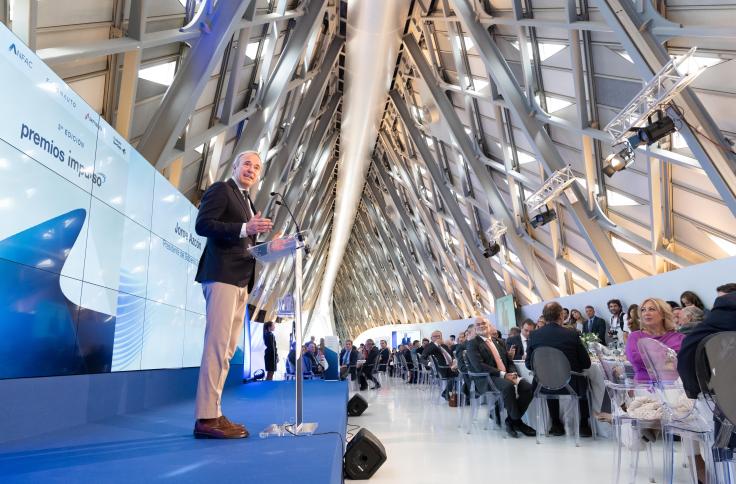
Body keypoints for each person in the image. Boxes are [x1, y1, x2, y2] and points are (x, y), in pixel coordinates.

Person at [193, 150, 273, 440]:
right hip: (222, 276)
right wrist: (244, 228)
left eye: (257, 167)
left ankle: (213, 411)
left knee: (226, 351)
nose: (251, 169)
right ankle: (205, 418)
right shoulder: (222, 190)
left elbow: (244, 241)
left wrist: (264, 246)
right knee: (216, 347)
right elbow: (203, 225)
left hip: (241, 280)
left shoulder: (248, 201)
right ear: (235, 166)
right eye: (247, 164)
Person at [525, 302, 594, 438]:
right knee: (584, 379)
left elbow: (528, 364)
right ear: (561, 316)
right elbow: (586, 364)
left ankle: (556, 424)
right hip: (571, 385)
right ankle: (584, 424)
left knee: (548, 378)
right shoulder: (571, 334)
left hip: (543, 386)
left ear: (544, 317)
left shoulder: (534, 336)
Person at [466, 317, 535, 438]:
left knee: (528, 388)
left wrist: (513, 373)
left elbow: (510, 362)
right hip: (487, 378)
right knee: (507, 386)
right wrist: (503, 375)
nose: (481, 326)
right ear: (475, 327)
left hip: (506, 375)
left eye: (484, 323)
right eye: (478, 324)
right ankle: (517, 422)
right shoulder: (473, 343)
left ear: (489, 325)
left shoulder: (499, 341)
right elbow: (479, 366)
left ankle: (510, 421)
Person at [625, 298, 685, 382]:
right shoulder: (634, 337)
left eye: (652, 309)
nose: (646, 313)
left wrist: (653, 356)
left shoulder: (679, 337)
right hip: (644, 387)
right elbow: (636, 359)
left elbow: (682, 363)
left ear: (663, 314)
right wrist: (667, 358)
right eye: (643, 310)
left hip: (675, 386)